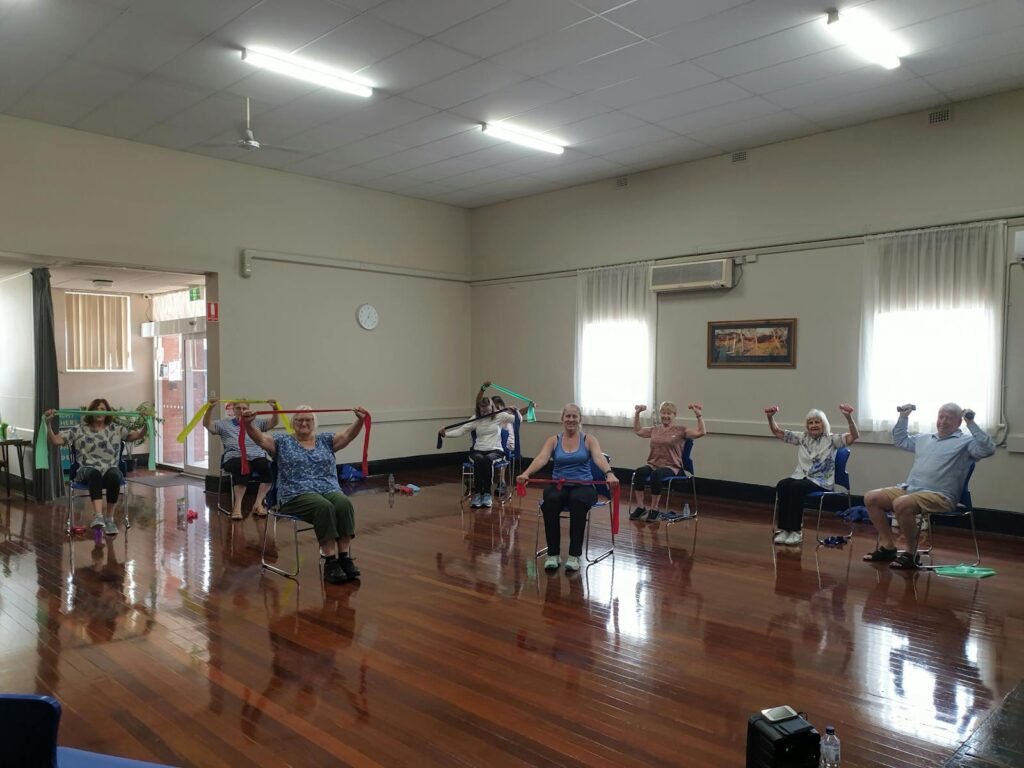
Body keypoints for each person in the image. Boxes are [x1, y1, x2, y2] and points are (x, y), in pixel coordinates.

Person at [243, 405, 368, 585]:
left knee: (343, 504)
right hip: (294, 494)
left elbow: (348, 435)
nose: (304, 423)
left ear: (314, 423)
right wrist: (248, 425)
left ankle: (344, 558)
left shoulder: (326, 440)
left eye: (308, 419)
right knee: (324, 507)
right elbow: (260, 438)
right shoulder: (282, 442)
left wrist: (360, 420)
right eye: (300, 419)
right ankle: (330, 562)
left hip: (328, 489)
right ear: (293, 422)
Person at [862, 403, 995, 569]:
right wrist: (904, 417)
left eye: (949, 418)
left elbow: (988, 449)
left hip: (941, 495)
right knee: (871, 497)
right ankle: (889, 547)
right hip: (910, 489)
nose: (943, 421)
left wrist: (971, 423)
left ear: (959, 423)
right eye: (941, 416)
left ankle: (911, 553)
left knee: (901, 503)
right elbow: (901, 440)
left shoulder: (966, 442)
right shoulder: (925, 438)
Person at [515, 403, 619, 573]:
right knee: (551, 501)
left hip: (584, 486)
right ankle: (553, 554)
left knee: (577, 501)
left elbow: (599, 458)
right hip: (559, 484)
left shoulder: (589, 439)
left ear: (580, 419)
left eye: (574, 416)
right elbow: (541, 458)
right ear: (562, 418)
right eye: (568, 416)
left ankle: (574, 555)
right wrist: (526, 473)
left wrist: (609, 473)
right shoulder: (553, 440)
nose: (571, 419)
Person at [45, 398, 148, 535]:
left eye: (103, 409)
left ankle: (109, 520)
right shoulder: (79, 429)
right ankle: (98, 516)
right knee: (95, 474)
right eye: (97, 409)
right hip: (85, 471)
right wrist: (48, 423)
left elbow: (138, 435)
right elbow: (55, 440)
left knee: (114, 475)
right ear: (91, 412)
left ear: (107, 413)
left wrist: (147, 423)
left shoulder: (116, 429)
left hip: (109, 470)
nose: (99, 412)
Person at [765, 404, 859, 546]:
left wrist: (848, 418)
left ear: (824, 424)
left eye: (817, 422)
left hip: (821, 481)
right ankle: (784, 529)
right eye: (810, 422)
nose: (813, 425)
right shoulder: (802, 438)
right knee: (783, 485)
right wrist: (770, 418)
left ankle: (796, 531)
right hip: (801, 477)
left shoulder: (832, 439)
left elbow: (854, 436)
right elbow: (777, 432)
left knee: (796, 487)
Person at [628, 401, 706, 522]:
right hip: (653, 464)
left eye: (669, 413)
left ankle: (654, 509)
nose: (665, 416)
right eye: (663, 413)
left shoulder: (681, 430)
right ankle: (640, 507)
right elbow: (638, 431)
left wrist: (698, 415)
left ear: (674, 415)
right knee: (639, 472)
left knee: (656, 474)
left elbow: (701, 432)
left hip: (672, 466)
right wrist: (637, 413)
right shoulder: (655, 429)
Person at [204, 397, 279, 520]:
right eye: (238, 408)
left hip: (257, 456)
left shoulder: (257, 423)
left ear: (249, 410)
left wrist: (275, 408)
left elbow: (274, 422)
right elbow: (207, 424)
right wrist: (210, 408)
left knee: (269, 468)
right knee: (243, 466)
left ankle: (258, 503)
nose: (242, 410)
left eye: (245, 408)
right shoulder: (224, 424)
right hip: (234, 457)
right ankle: (237, 506)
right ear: (233, 409)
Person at [439, 395, 517, 508]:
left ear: (492, 406)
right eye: (483, 410)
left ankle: (486, 494)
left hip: (495, 450)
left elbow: (517, 419)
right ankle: (477, 494)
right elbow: (461, 431)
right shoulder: (475, 418)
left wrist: (515, 411)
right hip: (478, 450)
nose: (485, 412)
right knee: (479, 459)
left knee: (488, 459)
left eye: (488, 410)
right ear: (479, 409)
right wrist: (445, 434)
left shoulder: (500, 416)